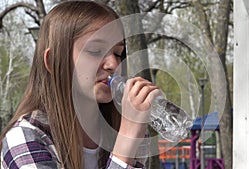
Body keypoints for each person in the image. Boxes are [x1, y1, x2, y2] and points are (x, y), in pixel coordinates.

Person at [0, 1, 160, 169]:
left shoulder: (125, 128)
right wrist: (125, 146)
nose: (113, 64)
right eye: (95, 51)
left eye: (118, 53)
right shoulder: (25, 137)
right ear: (53, 61)